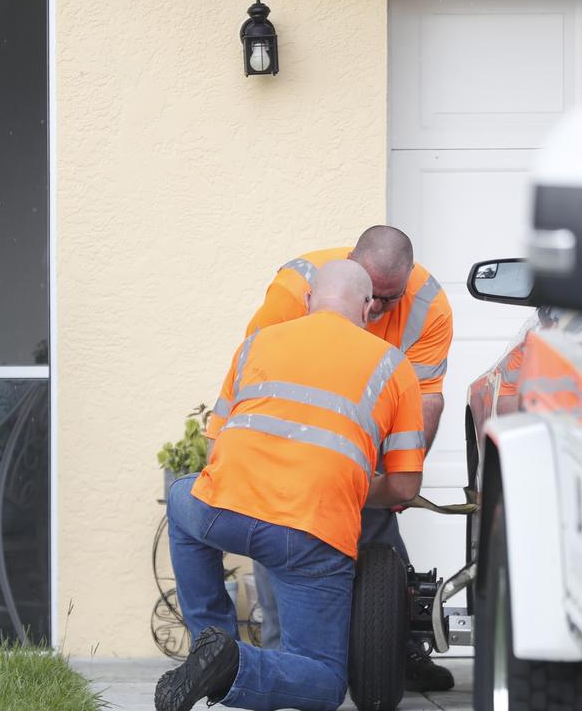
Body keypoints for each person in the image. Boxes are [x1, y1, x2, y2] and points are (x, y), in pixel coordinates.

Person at [156, 260, 425, 711]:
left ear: (307, 301)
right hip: (309, 533)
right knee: (323, 679)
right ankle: (228, 661)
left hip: (224, 507)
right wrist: (355, 489)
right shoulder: (396, 368)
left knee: (184, 499)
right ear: (366, 308)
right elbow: (402, 487)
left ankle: (212, 640)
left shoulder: (255, 344)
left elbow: (213, 449)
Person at [244, 225, 456, 691]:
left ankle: (398, 651)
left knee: (378, 527)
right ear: (349, 268)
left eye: (389, 298)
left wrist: (396, 478)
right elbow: (255, 375)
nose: (376, 309)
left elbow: (425, 401)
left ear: (407, 281)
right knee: (279, 530)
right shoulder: (294, 289)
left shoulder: (429, 307)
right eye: (371, 297)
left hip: (363, 439)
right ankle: (282, 661)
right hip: (290, 436)